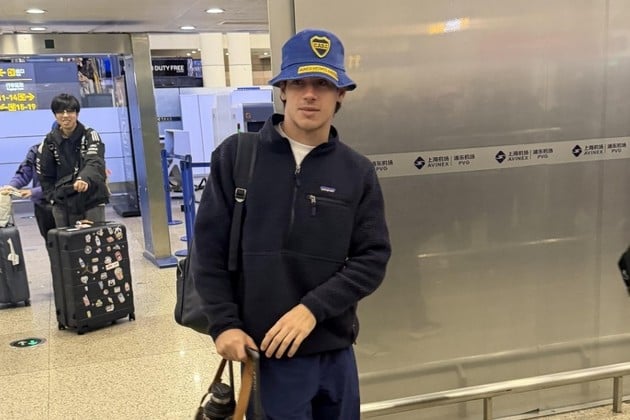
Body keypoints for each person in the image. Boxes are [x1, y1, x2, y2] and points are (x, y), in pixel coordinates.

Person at [192, 29, 391, 419]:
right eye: (299, 83)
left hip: (334, 352)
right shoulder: (238, 157)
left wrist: (313, 309)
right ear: (282, 89)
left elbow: (372, 258)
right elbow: (208, 251)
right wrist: (224, 324)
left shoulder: (357, 171)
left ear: (341, 93)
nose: (310, 94)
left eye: (323, 84)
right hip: (267, 354)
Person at [37, 93, 109, 227]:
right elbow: (44, 174)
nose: (65, 116)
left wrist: (84, 179)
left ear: (77, 114)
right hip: (62, 201)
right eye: (60, 112)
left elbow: (95, 161)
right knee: (66, 239)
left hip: (92, 198)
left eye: (70, 111)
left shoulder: (90, 135)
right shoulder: (49, 141)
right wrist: (52, 197)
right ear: (55, 115)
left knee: (94, 238)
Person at [0, 142, 56, 239]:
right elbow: (24, 173)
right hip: (42, 205)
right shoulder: (36, 150)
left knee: (66, 241)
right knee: (49, 240)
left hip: (64, 204)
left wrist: (34, 192)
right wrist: (11, 186)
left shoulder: (68, 150)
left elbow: (63, 182)